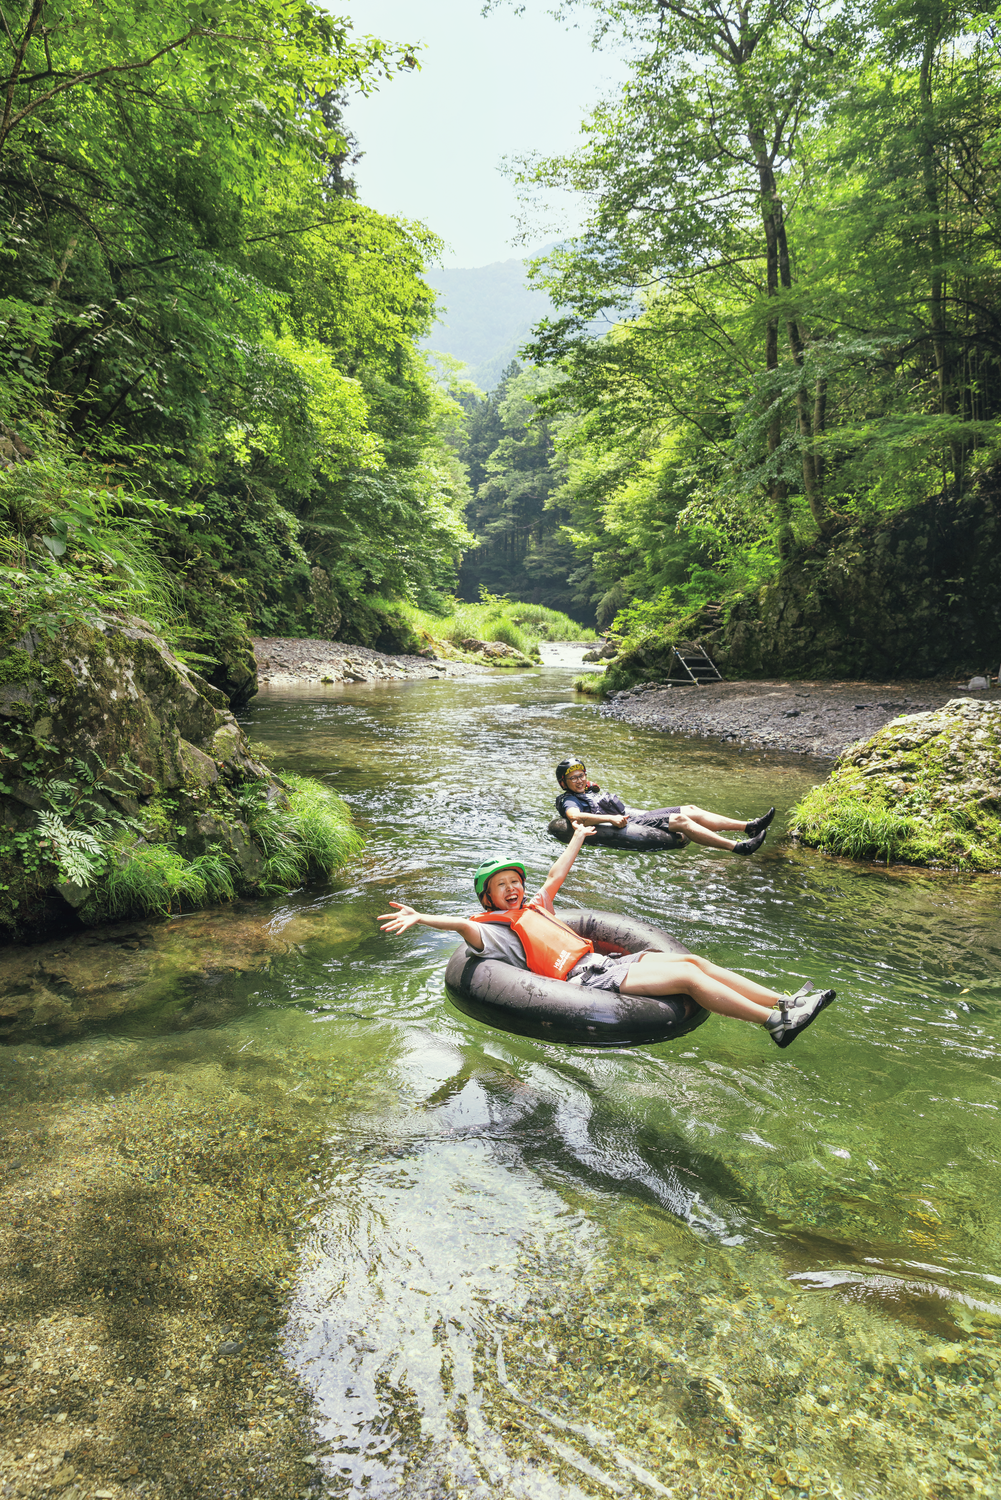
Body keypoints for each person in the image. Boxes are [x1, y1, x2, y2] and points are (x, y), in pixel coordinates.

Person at [379, 821, 836, 1049]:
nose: (513, 888)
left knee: (695, 963)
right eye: (502, 886)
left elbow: (558, 872)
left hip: (606, 965)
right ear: (489, 899)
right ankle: (773, 1025)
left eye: (515, 881)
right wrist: (421, 918)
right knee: (691, 983)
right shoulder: (491, 934)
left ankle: (784, 1002)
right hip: (585, 982)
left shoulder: (537, 905)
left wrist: (578, 835)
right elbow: (460, 926)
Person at [554, 757, 775, 855]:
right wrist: (611, 819)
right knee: (680, 821)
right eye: (573, 778)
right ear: (564, 783)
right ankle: (738, 847)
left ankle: (749, 826)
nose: (580, 780)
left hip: (629, 815)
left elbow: (590, 786)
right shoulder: (568, 800)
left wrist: (590, 785)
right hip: (620, 823)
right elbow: (575, 818)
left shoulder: (586, 788)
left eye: (581, 775)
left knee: (689, 809)